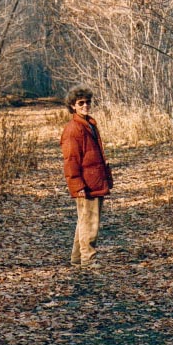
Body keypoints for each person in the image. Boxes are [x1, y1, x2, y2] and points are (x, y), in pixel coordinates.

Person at [60, 84, 113, 267]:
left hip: (95, 179)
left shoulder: (89, 124)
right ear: (73, 106)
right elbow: (71, 160)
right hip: (87, 183)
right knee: (90, 222)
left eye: (88, 102)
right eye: (81, 103)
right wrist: (78, 186)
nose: (85, 106)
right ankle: (88, 260)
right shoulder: (73, 129)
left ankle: (77, 258)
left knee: (85, 220)